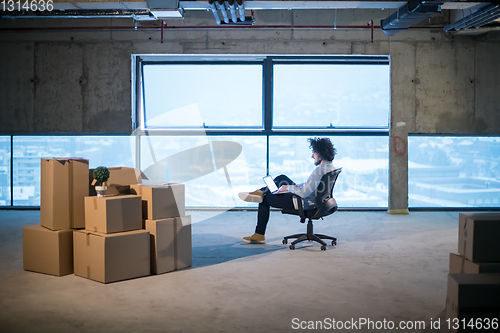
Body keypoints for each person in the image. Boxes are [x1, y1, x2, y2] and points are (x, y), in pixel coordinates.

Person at [238, 137, 337, 244]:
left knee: (264, 199)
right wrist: (293, 186)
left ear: (321, 154)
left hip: (302, 202)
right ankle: (261, 191)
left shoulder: (319, 171)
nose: (312, 156)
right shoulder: (330, 168)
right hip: (315, 201)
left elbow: (304, 193)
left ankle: (259, 235)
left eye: (314, 153)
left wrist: (289, 188)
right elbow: (310, 185)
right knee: (282, 178)